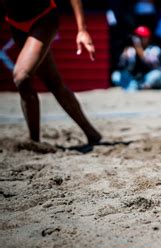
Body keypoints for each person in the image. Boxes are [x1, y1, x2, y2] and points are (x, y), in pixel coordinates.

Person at [1, 0, 102, 145]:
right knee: (53, 83)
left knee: (21, 77)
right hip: (15, 23)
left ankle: (34, 142)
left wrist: (82, 30)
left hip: (43, 18)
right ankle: (92, 134)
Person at [111, 25, 161, 91]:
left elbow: (150, 62)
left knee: (158, 76)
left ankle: (146, 86)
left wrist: (138, 47)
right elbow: (122, 65)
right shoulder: (131, 50)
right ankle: (142, 86)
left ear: (147, 38)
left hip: (150, 75)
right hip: (137, 77)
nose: (138, 39)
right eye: (137, 37)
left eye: (141, 37)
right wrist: (125, 54)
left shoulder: (154, 49)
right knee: (116, 75)